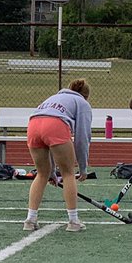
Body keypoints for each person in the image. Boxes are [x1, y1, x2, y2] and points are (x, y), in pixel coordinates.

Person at [23, 78, 93, 232]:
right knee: (68, 173)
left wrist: (52, 172)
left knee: (42, 174)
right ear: (86, 96)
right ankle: (73, 221)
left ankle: (30, 219)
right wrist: (82, 168)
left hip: (33, 126)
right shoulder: (82, 103)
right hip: (55, 125)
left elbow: (46, 134)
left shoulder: (54, 98)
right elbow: (82, 138)